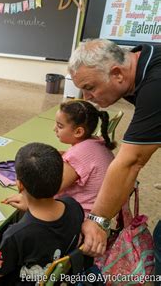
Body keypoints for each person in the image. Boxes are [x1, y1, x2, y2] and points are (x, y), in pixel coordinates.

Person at [67, 39, 161, 272]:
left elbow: (130, 162)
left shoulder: (156, 83)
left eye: (90, 87)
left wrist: (97, 220)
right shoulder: (139, 62)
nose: (86, 97)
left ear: (117, 73)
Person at [0, 143, 84, 285]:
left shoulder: (16, 234)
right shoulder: (73, 206)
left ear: (19, 185)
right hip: (51, 275)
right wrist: (30, 208)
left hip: (16, 280)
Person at [4, 100, 115, 217]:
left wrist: (29, 203)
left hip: (80, 218)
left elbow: (48, 192)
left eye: (60, 126)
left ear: (78, 132)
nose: (54, 129)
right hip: (98, 211)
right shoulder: (96, 142)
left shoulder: (77, 156)